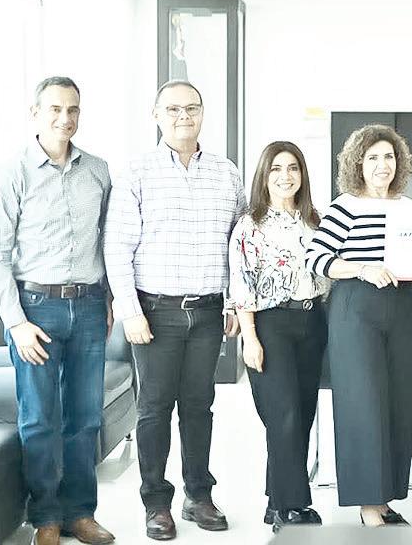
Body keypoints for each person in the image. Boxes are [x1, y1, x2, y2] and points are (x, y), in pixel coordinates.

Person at [104, 80, 245, 540]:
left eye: (192, 108)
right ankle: (156, 503)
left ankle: (198, 496)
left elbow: (240, 245)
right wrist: (130, 311)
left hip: (207, 312)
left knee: (200, 406)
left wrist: (233, 302)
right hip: (155, 312)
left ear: (203, 113)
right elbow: (117, 247)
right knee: (154, 409)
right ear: (156, 115)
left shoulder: (227, 173)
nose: (184, 116)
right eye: (173, 109)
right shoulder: (137, 172)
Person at [0, 76, 115, 545]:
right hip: (35, 310)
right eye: (56, 109)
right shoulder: (13, 172)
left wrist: (108, 299)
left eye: (73, 109)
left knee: (85, 418)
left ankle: (80, 513)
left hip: (89, 306)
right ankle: (45, 517)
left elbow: (109, 241)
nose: (66, 118)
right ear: (35, 113)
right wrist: (16, 323)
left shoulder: (98, 170)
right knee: (39, 419)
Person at [303, 124, 412, 527]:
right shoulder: (345, 207)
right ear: (358, 163)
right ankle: (368, 505)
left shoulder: (408, 207)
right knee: (362, 402)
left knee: (400, 402)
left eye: (389, 157)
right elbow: (317, 258)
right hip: (356, 306)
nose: (382, 165)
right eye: (373, 158)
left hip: (402, 305)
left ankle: (385, 498)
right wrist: (363, 268)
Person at [229, 141, 330, 533]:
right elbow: (241, 285)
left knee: (301, 415)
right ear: (264, 176)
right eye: (276, 169)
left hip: (312, 322)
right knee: (282, 414)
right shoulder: (250, 225)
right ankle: (293, 507)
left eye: (293, 168)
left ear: (302, 174)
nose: (285, 176)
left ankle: (276, 502)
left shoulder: (316, 221)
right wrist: (250, 338)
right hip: (271, 325)